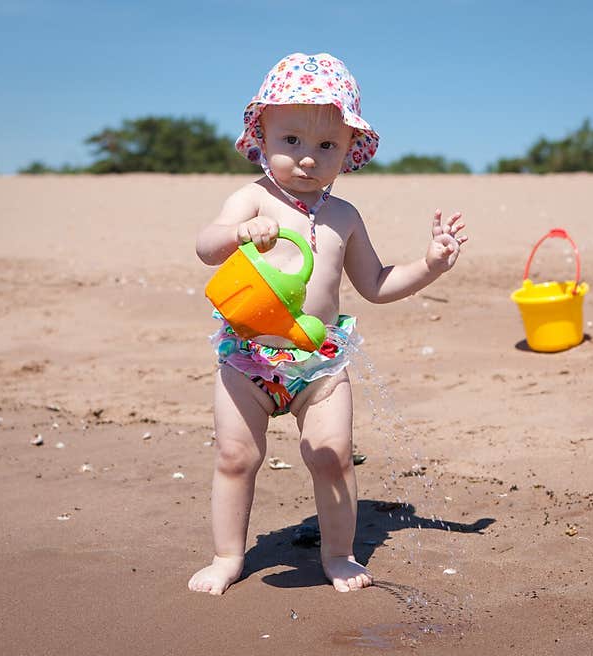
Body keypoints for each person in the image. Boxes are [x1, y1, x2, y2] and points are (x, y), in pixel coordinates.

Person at [188, 52, 468, 594]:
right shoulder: (251, 199)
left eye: (326, 146)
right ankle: (227, 557)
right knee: (235, 457)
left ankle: (338, 555)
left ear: (348, 151)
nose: (308, 159)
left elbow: (378, 284)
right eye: (291, 141)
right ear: (262, 134)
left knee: (333, 454)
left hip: (319, 362)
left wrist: (430, 265)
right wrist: (241, 234)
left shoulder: (344, 217)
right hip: (248, 358)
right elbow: (205, 246)